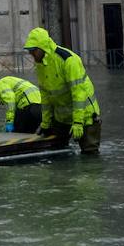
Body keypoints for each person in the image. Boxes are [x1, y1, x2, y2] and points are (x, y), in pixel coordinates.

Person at [24, 27, 101, 155]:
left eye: (33, 50)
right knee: (57, 152)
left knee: (90, 156)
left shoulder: (68, 60)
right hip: (62, 117)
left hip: (86, 116)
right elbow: (45, 97)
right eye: (29, 51)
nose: (30, 54)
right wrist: (45, 123)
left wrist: (78, 122)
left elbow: (78, 93)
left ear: (42, 47)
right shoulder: (40, 65)